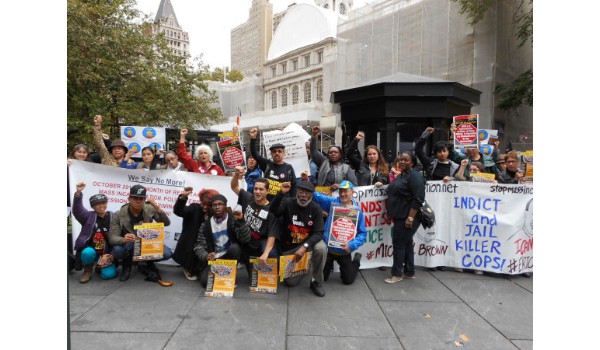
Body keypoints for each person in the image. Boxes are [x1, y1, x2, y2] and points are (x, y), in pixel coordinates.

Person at [269, 181, 327, 297]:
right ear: (296, 192)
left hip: (306, 246)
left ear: (312, 195)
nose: (303, 196)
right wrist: (280, 193)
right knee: (290, 283)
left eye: (307, 193)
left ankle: (317, 282)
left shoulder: (316, 209)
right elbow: (273, 211)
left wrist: (304, 247)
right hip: (288, 247)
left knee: (321, 248)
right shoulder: (288, 202)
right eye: (301, 192)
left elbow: (319, 233)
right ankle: (306, 264)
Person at [109, 184, 172, 282]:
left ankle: (146, 261)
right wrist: (123, 239)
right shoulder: (119, 214)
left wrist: (156, 207)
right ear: (129, 198)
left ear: (144, 200)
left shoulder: (150, 209)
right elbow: (112, 238)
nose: (138, 201)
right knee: (117, 250)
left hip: (145, 243)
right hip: (128, 245)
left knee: (167, 253)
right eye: (135, 198)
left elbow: (166, 223)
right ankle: (127, 266)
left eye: (141, 198)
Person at [311, 180, 366, 285]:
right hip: (329, 250)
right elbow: (316, 196)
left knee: (348, 280)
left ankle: (356, 261)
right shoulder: (332, 203)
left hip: (344, 251)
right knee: (323, 278)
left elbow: (363, 233)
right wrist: (306, 180)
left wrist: (352, 245)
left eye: (345, 191)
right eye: (340, 191)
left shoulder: (357, 211)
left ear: (352, 192)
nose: (342, 194)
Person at [230, 166, 279, 278]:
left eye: (261, 189)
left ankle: (271, 273)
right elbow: (234, 186)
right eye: (256, 188)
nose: (257, 192)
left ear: (268, 191)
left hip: (258, 244)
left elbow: (272, 235)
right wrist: (236, 175)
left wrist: (266, 253)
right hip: (243, 240)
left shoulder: (270, 210)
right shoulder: (248, 197)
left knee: (269, 254)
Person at [385, 151, 425, 283]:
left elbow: (418, 199)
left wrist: (410, 218)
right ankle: (409, 271)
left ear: (412, 163)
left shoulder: (415, 177)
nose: (402, 161)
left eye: (406, 160)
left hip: (407, 217)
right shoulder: (402, 175)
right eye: (400, 159)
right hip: (400, 215)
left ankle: (396, 274)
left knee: (399, 244)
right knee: (407, 243)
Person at [193, 194, 245, 288]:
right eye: (214, 205)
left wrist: (241, 222)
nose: (217, 207)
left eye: (220, 204)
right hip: (214, 259)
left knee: (235, 248)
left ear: (225, 206)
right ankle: (222, 275)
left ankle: (231, 273)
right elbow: (198, 246)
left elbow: (245, 238)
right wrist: (206, 256)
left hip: (229, 256)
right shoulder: (206, 225)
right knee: (205, 282)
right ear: (211, 207)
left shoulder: (233, 220)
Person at [72, 182, 115, 283]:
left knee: (108, 275)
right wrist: (78, 194)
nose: (101, 206)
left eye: (103, 203)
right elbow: (77, 211)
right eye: (98, 204)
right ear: (92, 207)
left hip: (106, 253)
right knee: (87, 253)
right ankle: (87, 270)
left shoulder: (113, 216)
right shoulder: (88, 216)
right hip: (91, 250)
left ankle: (101, 266)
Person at [172, 187, 218, 281]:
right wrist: (183, 197)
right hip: (189, 244)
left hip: (203, 247)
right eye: (203, 203)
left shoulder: (214, 214)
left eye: (208, 205)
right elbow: (178, 211)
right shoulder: (194, 208)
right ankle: (186, 267)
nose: (205, 207)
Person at [248, 127, 297, 200]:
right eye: (274, 151)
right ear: (271, 154)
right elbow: (255, 154)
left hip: (284, 204)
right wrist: (253, 139)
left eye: (279, 151)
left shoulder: (289, 168)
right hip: (268, 204)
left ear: (284, 154)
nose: (277, 153)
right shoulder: (267, 164)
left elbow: (293, 186)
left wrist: (292, 203)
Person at [310, 126, 358, 191]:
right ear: (328, 155)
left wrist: (340, 186)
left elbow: (354, 185)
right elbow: (314, 151)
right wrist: (314, 136)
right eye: (331, 152)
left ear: (340, 155)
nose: (333, 154)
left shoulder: (346, 168)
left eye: (336, 152)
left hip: (340, 197)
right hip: (324, 196)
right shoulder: (323, 162)